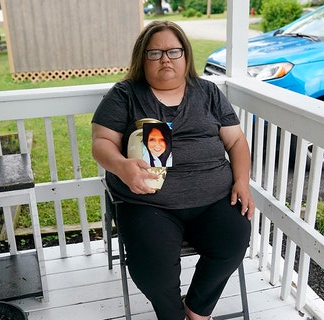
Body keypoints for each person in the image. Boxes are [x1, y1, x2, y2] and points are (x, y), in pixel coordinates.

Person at [91, 20, 254, 320]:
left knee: (235, 236)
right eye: (155, 53)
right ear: (142, 59)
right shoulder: (125, 95)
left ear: (186, 57)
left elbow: (237, 141)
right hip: (148, 203)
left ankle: (196, 310)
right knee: (152, 267)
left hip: (214, 199)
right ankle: (172, 315)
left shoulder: (209, 93)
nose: (165, 58)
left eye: (173, 51)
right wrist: (122, 167)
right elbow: (101, 142)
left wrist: (241, 181)